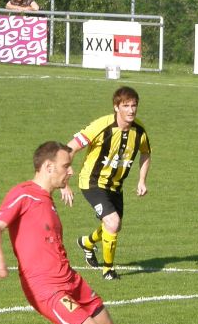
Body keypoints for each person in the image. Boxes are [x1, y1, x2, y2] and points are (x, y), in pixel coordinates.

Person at [0, 141, 158, 324]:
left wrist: (63, 186)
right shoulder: (24, 194)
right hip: (46, 288)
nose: (70, 171)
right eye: (66, 166)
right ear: (48, 167)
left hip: (69, 279)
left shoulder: (47, 200)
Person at [60, 86, 151, 281]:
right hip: (92, 182)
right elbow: (69, 148)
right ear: (116, 107)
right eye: (126, 106)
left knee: (114, 226)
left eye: (134, 105)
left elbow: (145, 152)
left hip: (116, 186)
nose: (131, 110)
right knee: (113, 222)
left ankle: (87, 242)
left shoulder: (139, 130)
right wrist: (64, 182)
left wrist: (142, 180)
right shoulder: (101, 126)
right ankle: (108, 270)